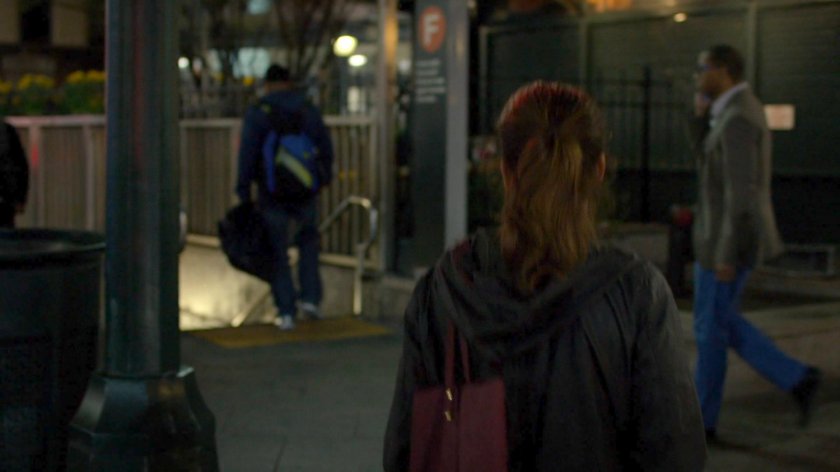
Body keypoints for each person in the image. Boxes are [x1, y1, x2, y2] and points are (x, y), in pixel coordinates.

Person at [384, 82, 706, 471]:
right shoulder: (637, 293)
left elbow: (404, 449)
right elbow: (674, 453)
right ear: (599, 169)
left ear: (505, 171)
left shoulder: (444, 289)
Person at [689, 44, 822, 441]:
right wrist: (697, 120)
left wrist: (727, 254)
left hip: (724, 244)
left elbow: (741, 193)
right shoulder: (727, 114)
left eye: (703, 68)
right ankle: (797, 379)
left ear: (724, 71)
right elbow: (707, 164)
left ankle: (704, 420)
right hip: (718, 240)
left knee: (711, 329)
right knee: (716, 327)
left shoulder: (738, 118)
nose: (698, 75)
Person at [235, 64, 334, 330]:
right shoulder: (307, 108)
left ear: (267, 84)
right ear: (289, 81)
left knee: (277, 250)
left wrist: (243, 190)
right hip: (305, 191)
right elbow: (325, 146)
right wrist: (323, 179)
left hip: (272, 193)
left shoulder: (259, 111)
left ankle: (286, 311)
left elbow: (248, 153)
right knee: (309, 241)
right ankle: (311, 299)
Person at [0, 118, 29, 229]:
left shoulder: (6, 131)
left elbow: (20, 165)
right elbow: (20, 165)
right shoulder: (6, 130)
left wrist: (19, 198)